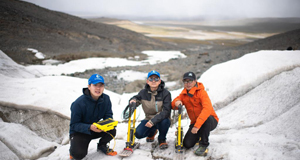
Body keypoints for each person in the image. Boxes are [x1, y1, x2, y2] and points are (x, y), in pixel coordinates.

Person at [69, 74, 117, 160]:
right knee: (78, 155)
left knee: (112, 130)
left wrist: (107, 125)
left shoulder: (106, 99)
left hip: (96, 128)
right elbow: (74, 125)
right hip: (80, 132)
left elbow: (108, 115)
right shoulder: (78, 103)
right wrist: (89, 127)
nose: (98, 88)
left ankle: (102, 145)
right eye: (95, 85)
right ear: (89, 87)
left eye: (101, 85)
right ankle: (72, 150)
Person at [171, 71, 219, 156]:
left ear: (195, 81)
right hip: (195, 123)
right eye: (186, 81)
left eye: (190, 81)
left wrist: (197, 126)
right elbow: (174, 102)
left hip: (210, 121)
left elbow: (207, 109)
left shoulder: (202, 92)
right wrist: (177, 102)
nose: (188, 83)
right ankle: (198, 136)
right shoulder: (184, 94)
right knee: (187, 144)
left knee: (206, 119)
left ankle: (203, 145)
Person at [129, 70, 172, 149]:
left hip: (161, 119)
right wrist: (133, 100)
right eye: (151, 79)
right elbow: (136, 98)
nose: (153, 81)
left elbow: (166, 111)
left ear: (159, 81)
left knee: (165, 121)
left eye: (156, 79)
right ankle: (152, 133)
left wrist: (154, 121)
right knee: (138, 134)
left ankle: (162, 139)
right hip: (148, 119)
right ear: (147, 81)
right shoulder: (143, 93)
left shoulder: (166, 93)